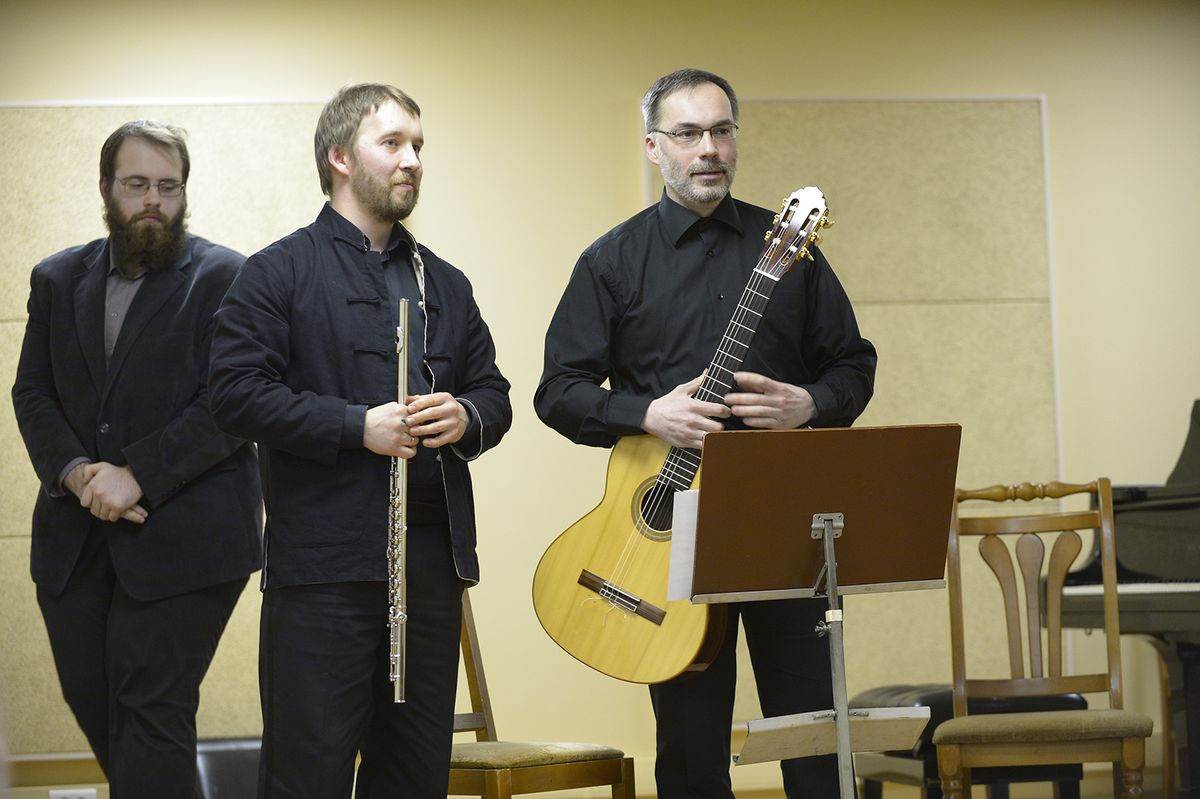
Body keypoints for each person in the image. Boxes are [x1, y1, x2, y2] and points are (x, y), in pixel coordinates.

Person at [534, 68, 877, 798]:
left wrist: (809, 402)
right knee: (690, 751)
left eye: (722, 131)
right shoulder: (612, 261)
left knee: (815, 733)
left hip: (786, 523)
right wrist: (645, 413)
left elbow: (853, 365)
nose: (708, 149)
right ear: (654, 146)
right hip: (670, 534)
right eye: (688, 133)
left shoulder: (791, 249)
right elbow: (557, 392)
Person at [208, 82, 512, 798]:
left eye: (419, 146)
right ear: (340, 157)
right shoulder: (276, 272)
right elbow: (233, 394)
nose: (413, 160)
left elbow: (494, 393)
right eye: (393, 143)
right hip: (324, 571)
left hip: (429, 568)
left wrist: (465, 415)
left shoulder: (446, 282)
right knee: (307, 774)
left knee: (412, 776)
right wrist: (356, 426)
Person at [10, 120, 263, 798]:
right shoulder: (56, 278)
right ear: (106, 189)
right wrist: (76, 473)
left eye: (168, 187)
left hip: (191, 535)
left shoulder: (226, 276)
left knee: (150, 704)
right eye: (137, 184)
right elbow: (33, 392)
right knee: (99, 705)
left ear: (184, 193)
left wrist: (136, 474)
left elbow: (231, 401)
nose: (153, 200)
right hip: (74, 539)